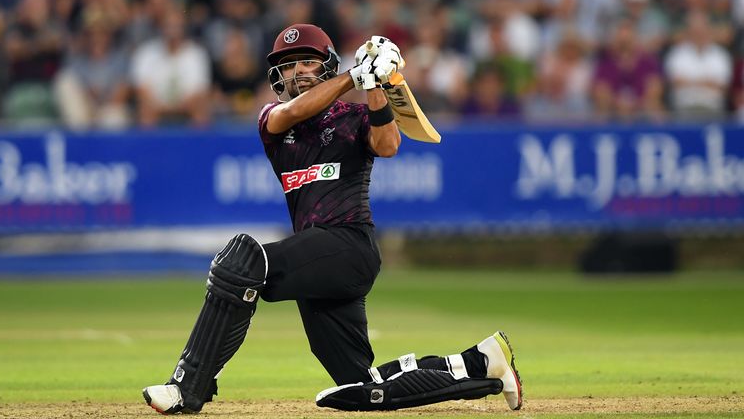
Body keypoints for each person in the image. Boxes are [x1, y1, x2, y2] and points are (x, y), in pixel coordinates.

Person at [141, 23, 522, 414]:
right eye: (289, 66)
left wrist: (375, 82)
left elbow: (388, 145)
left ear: (327, 65)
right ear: (278, 76)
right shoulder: (273, 118)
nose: (299, 71)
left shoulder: (354, 116)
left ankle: (186, 387)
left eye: (309, 61)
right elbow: (293, 111)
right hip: (319, 263)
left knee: (242, 260)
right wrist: (352, 77)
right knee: (363, 383)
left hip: (349, 246)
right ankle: (483, 362)